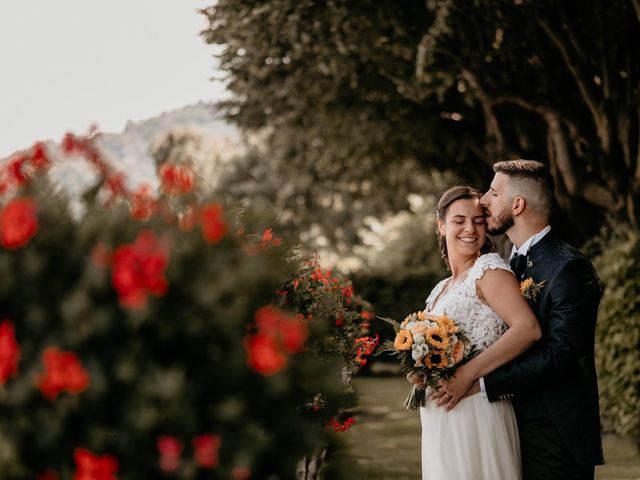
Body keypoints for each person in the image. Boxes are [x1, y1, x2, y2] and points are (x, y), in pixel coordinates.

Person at [436, 160, 604, 480]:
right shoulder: (505, 265)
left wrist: (479, 384)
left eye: (493, 193)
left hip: (554, 434)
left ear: (517, 204)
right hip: (506, 426)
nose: (484, 200)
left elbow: (561, 355)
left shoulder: (569, 268)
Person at [408, 185, 541, 479]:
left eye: (479, 221)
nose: (470, 228)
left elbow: (527, 329)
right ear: (441, 226)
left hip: (475, 411)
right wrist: (422, 371)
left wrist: (467, 374)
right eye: (459, 220)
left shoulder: (489, 270)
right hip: (441, 417)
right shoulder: (441, 289)